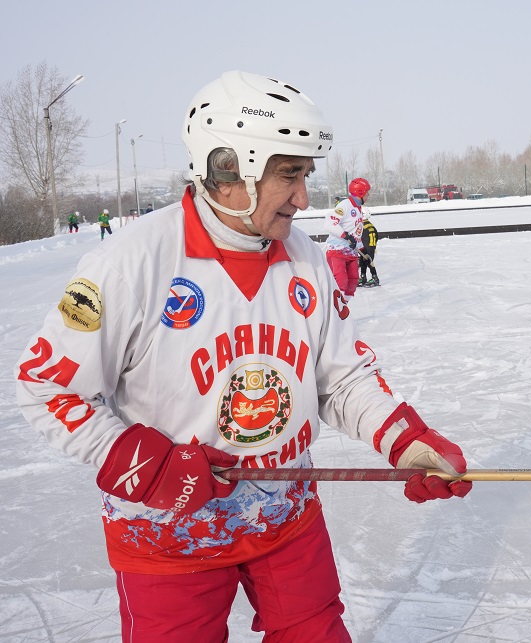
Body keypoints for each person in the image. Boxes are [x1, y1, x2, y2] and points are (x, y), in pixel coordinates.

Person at [14, 70, 472, 642]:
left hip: (286, 520)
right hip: (169, 536)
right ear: (230, 168)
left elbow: (341, 378)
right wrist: (141, 462)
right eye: (289, 175)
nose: (304, 198)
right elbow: (47, 386)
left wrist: (406, 439)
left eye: (305, 175)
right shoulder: (132, 263)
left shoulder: (302, 257)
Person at [324, 177, 369, 297]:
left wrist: (363, 251)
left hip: (352, 252)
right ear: (360, 193)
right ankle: (336, 310)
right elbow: (329, 223)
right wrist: (346, 236)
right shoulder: (345, 205)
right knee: (341, 283)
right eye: (366, 193)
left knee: (353, 281)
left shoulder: (358, 208)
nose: (368, 196)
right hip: (337, 251)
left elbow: (356, 232)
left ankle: (342, 309)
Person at [358, 209, 380, 287]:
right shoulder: (371, 225)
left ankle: (375, 277)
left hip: (366, 246)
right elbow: (377, 236)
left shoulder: (362, 225)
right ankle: (363, 277)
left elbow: (358, 236)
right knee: (362, 261)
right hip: (371, 247)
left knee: (368, 262)